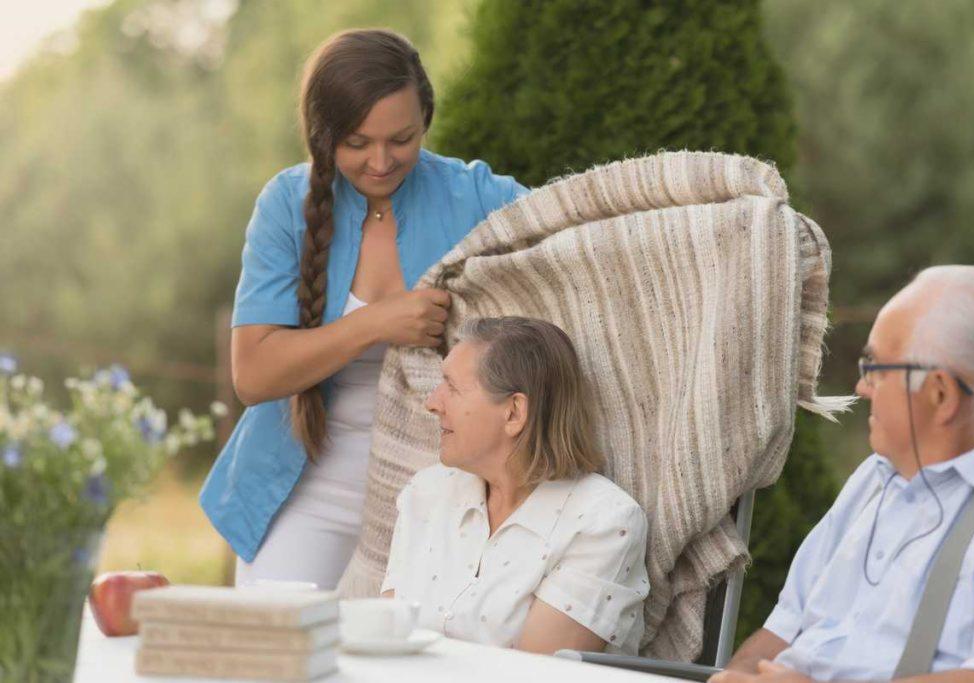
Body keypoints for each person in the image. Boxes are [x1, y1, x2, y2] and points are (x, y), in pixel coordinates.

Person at [199, 29, 528, 590]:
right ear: (322, 137)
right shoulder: (286, 206)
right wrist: (377, 323)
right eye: (356, 143)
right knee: (279, 665)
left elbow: (581, 234)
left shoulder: (476, 196)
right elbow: (253, 375)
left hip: (441, 496)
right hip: (301, 488)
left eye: (401, 139)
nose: (380, 162)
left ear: (425, 118)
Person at [711, 265, 974, 683]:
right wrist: (737, 676)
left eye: (875, 367)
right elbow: (780, 633)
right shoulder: (875, 476)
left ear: (941, 394)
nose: (862, 387)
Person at [381, 317, 650, 655]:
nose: (432, 403)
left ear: (514, 413)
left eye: (451, 387)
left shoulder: (603, 523)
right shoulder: (426, 493)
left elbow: (535, 674)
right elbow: (384, 641)